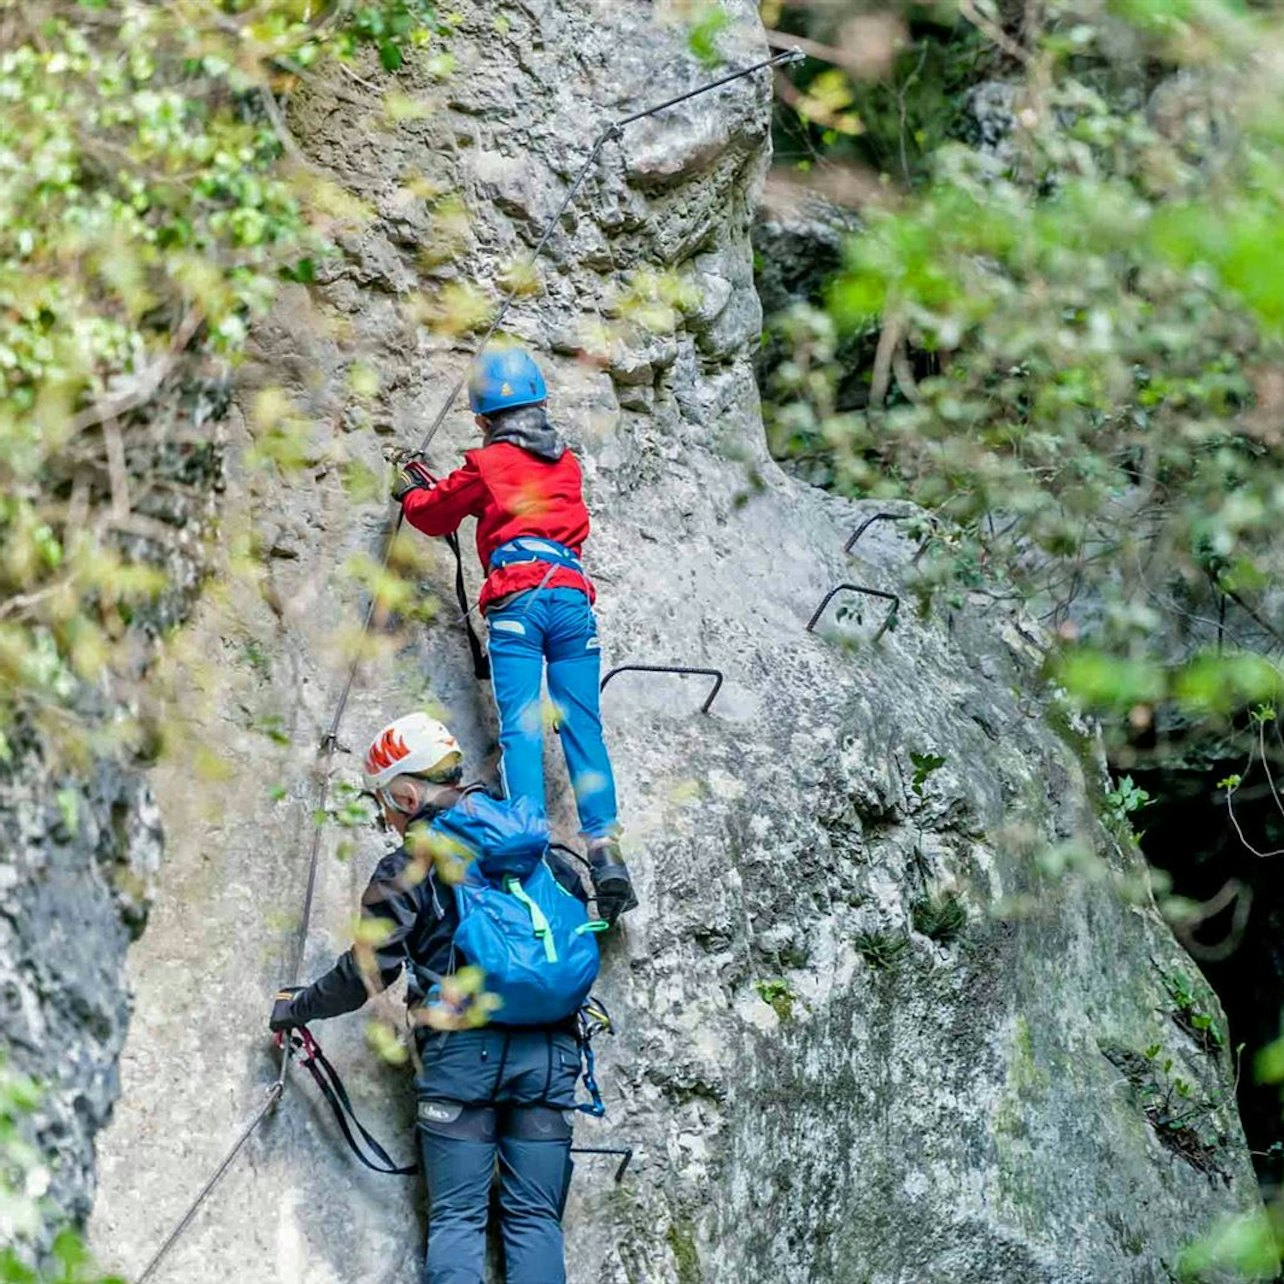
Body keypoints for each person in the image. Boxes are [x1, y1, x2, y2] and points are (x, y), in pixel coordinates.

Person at [270, 711, 608, 1284]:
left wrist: (296, 1007)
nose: (383, 815)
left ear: (405, 791)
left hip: (461, 1057)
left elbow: (367, 972)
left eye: (383, 802)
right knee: (534, 1221)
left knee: (457, 1220)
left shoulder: (410, 863)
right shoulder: (530, 842)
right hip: (551, 1052)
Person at [391, 346, 636, 926]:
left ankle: (532, 854)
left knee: (522, 729)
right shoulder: (568, 462)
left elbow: (434, 515)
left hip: (518, 605)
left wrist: (409, 490)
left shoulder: (487, 464)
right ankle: (605, 851)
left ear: (482, 419)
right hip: (572, 599)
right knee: (583, 726)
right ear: (541, 406)